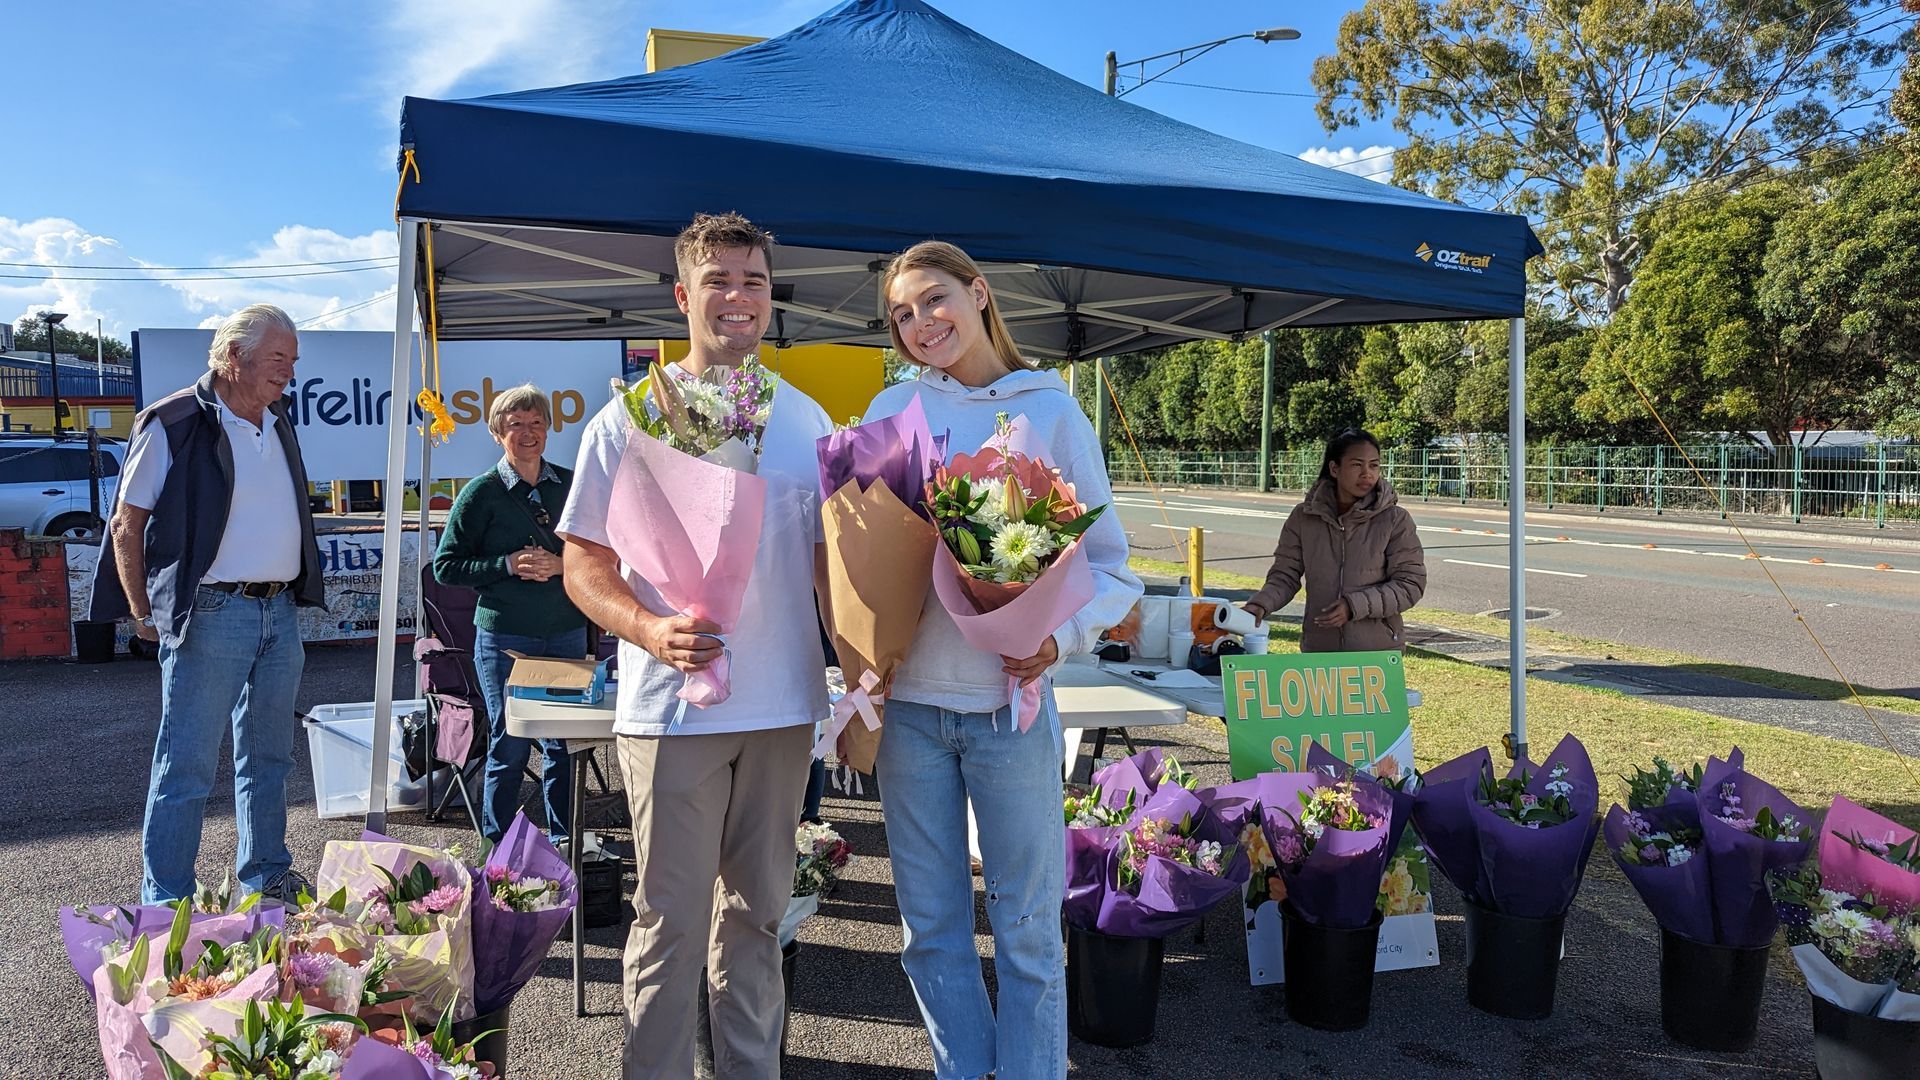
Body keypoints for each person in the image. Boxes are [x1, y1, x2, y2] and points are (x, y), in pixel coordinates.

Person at [556, 212, 833, 1079]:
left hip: (783, 705)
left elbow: (836, 565)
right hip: (670, 712)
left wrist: (867, 664)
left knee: (758, 919)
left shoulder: (807, 417)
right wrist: (646, 627)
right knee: (669, 924)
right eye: (719, 280)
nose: (739, 297)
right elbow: (583, 561)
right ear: (683, 295)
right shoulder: (630, 418)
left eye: (753, 281)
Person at [862, 241, 1141, 1080]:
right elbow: (860, 554)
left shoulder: (1052, 411)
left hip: (1009, 714)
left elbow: (1113, 568)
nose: (921, 324)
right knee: (930, 932)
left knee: (1026, 931)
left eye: (936, 299)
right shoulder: (890, 410)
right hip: (909, 711)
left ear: (980, 294)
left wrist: (1060, 638)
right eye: (903, 314)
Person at [92, 303, 325, 904]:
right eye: (278, 359)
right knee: (186, 768)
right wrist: (143, 612)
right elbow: (126, 523)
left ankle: (267, 875)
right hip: (211, 615)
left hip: (280, 613)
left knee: (270, 760)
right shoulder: (170, 422)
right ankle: (166, 899)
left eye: (293, 362)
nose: (288, 374)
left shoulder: (279, 420)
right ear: (231, 357)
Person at [432, 384, 586, 847]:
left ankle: (564, 844)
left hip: (566, 635)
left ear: (549, 429)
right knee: (510, 743)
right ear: (498, 432)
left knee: (563, 747)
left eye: (536, 422)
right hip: (505, 640)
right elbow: (446, 566)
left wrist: (564, 565)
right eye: (516, 424)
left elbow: (604, 553)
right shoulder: (481, 494)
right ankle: (496, 851)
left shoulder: (572, 484)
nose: (528, 432)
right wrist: (506, 564)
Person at [1241, 428, 1427, 652]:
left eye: (1374, 465)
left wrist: (1353, 606)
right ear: (1334, 469)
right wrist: (1260, 604)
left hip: (1378, 655)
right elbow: (1285, 575)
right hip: (1319, 650)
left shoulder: (1395, 519)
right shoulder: (1303, 517)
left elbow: (1410, 585)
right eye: (1357, 465)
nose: (1367, 473)